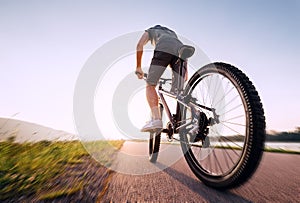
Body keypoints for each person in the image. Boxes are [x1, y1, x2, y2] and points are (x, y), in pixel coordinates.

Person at [135, 25, 188, 132]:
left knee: (150, 85)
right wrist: (184, 72)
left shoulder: (151, 30)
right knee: (179, 92)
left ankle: (156, 120)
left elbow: (139, 45)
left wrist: (138, 67)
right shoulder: (172, 33)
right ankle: (195, 117)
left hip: (163, 47)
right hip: (180, 49)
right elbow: (173, 52)